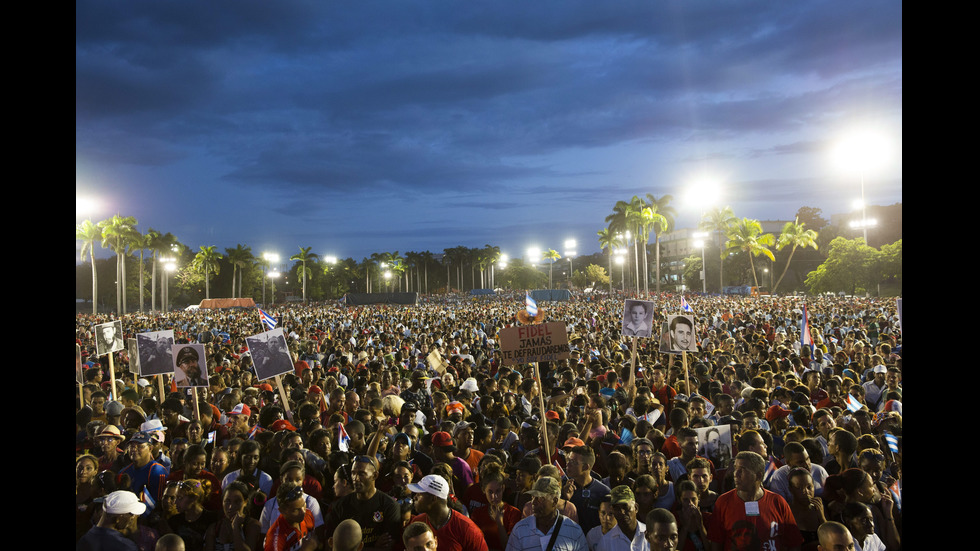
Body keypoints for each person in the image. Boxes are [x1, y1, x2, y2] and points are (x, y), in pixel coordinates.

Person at [707, 451, 802, 551]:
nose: (736, 474)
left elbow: (793, 542)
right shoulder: (723, 502)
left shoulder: (778, 502)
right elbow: (716, 543)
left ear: (758, 476)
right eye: (736, 469)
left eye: (742, 470)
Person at [324, 455, 401, 551]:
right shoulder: (340, 506)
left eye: (361, 474)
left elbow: (388, 548)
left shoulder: (389, 506)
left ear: (375, 475)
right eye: (353, 473)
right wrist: (374, 548)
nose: (355, 478)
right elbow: (330, 544)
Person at [406, 474, 489, 551]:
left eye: (419, 494)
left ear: (433, 499)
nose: (415, 497)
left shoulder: (467, 528)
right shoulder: (417, 523)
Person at [505, 477, 590, 551]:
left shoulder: (573, 531)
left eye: (540, 498)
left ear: (555, 501)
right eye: (533, 497)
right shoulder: (520, 530)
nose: (533, 502)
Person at [563, 445, 611, 535]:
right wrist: (565, 500)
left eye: (573, 462)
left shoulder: (603, 492)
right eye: (568, 460)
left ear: (585, 467)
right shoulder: (563, 486)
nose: (568, 464)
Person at [203, 480, 262, 551]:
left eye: (237, 502)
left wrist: (236, 528)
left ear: (245, 502)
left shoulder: (252, 525)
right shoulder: (214, 528)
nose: (231, 507)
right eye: (227, 501)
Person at [77, 490, 145, 551]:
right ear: (118, 519)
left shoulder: (83, 539)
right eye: (132, 514)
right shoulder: (125, 546)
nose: (135, 516)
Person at [265, 483, 319, 551]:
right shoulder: (275, 538)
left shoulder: (308, 514)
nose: (303, 512)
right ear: (282, 511)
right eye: (296, 510)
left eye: (304, 505)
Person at [119, 431, 169, 503]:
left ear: (150, 448)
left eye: (140, 446)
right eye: (131, 446)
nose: (134, 449)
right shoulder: (124, 472)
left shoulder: (158, 471)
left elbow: (159, 504)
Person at [596, 486, 646, 551]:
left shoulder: (651, 535)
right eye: (617, 508)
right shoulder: (606, 542)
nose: (622, 512)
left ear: (636, 508)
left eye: (625, 507)